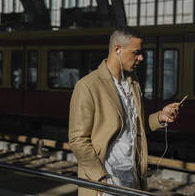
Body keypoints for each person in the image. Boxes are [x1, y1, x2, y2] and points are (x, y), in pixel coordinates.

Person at [69, 27, 180, 196]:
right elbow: (77, 139)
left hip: (133, 175)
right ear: (117, 50)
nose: (141, 58)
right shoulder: (88, 86)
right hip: (106, 179)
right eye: (136, 53)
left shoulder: (133, 83)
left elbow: (135, 126)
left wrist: (160, 117)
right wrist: (99, 177)